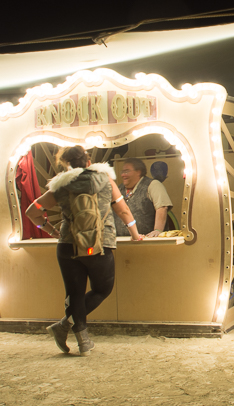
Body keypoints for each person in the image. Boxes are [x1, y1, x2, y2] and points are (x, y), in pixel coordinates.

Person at [25, 146, 143, 355]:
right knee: (102, 289)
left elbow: (32, 212)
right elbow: (123, 210)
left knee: (75, 294)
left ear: (66, 164)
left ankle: (83, 343)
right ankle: (63, 326)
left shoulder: (61, 186)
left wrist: (51, 231)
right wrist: (135, 234)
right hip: (100, 243)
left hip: (68, 244)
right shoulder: (105, 180)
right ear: (88, 161)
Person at [114, 158, 172, 238]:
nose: (123, 175)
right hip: (121, 242)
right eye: (122, 172)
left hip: (147, 241)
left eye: (127, 171)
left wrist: (158, 230)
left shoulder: (153, 185)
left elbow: (162, 207)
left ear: (138, 172)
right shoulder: (118, 189)